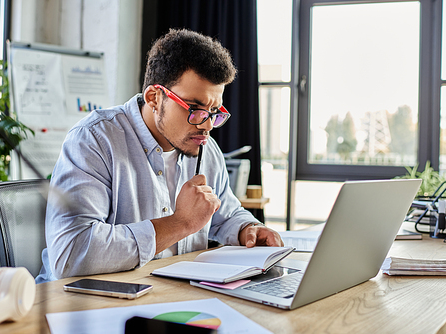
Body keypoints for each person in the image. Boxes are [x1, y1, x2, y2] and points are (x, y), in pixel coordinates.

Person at [36, 28, 283, 283]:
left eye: (214, 110)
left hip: (170, 300)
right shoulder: (93, 140)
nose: (207, 124)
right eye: (195, 108)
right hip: (84, 307)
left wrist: (247, 229)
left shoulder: (204, 147)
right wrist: (179, 223)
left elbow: (225, 214)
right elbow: (71, 253)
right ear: (154, 98)